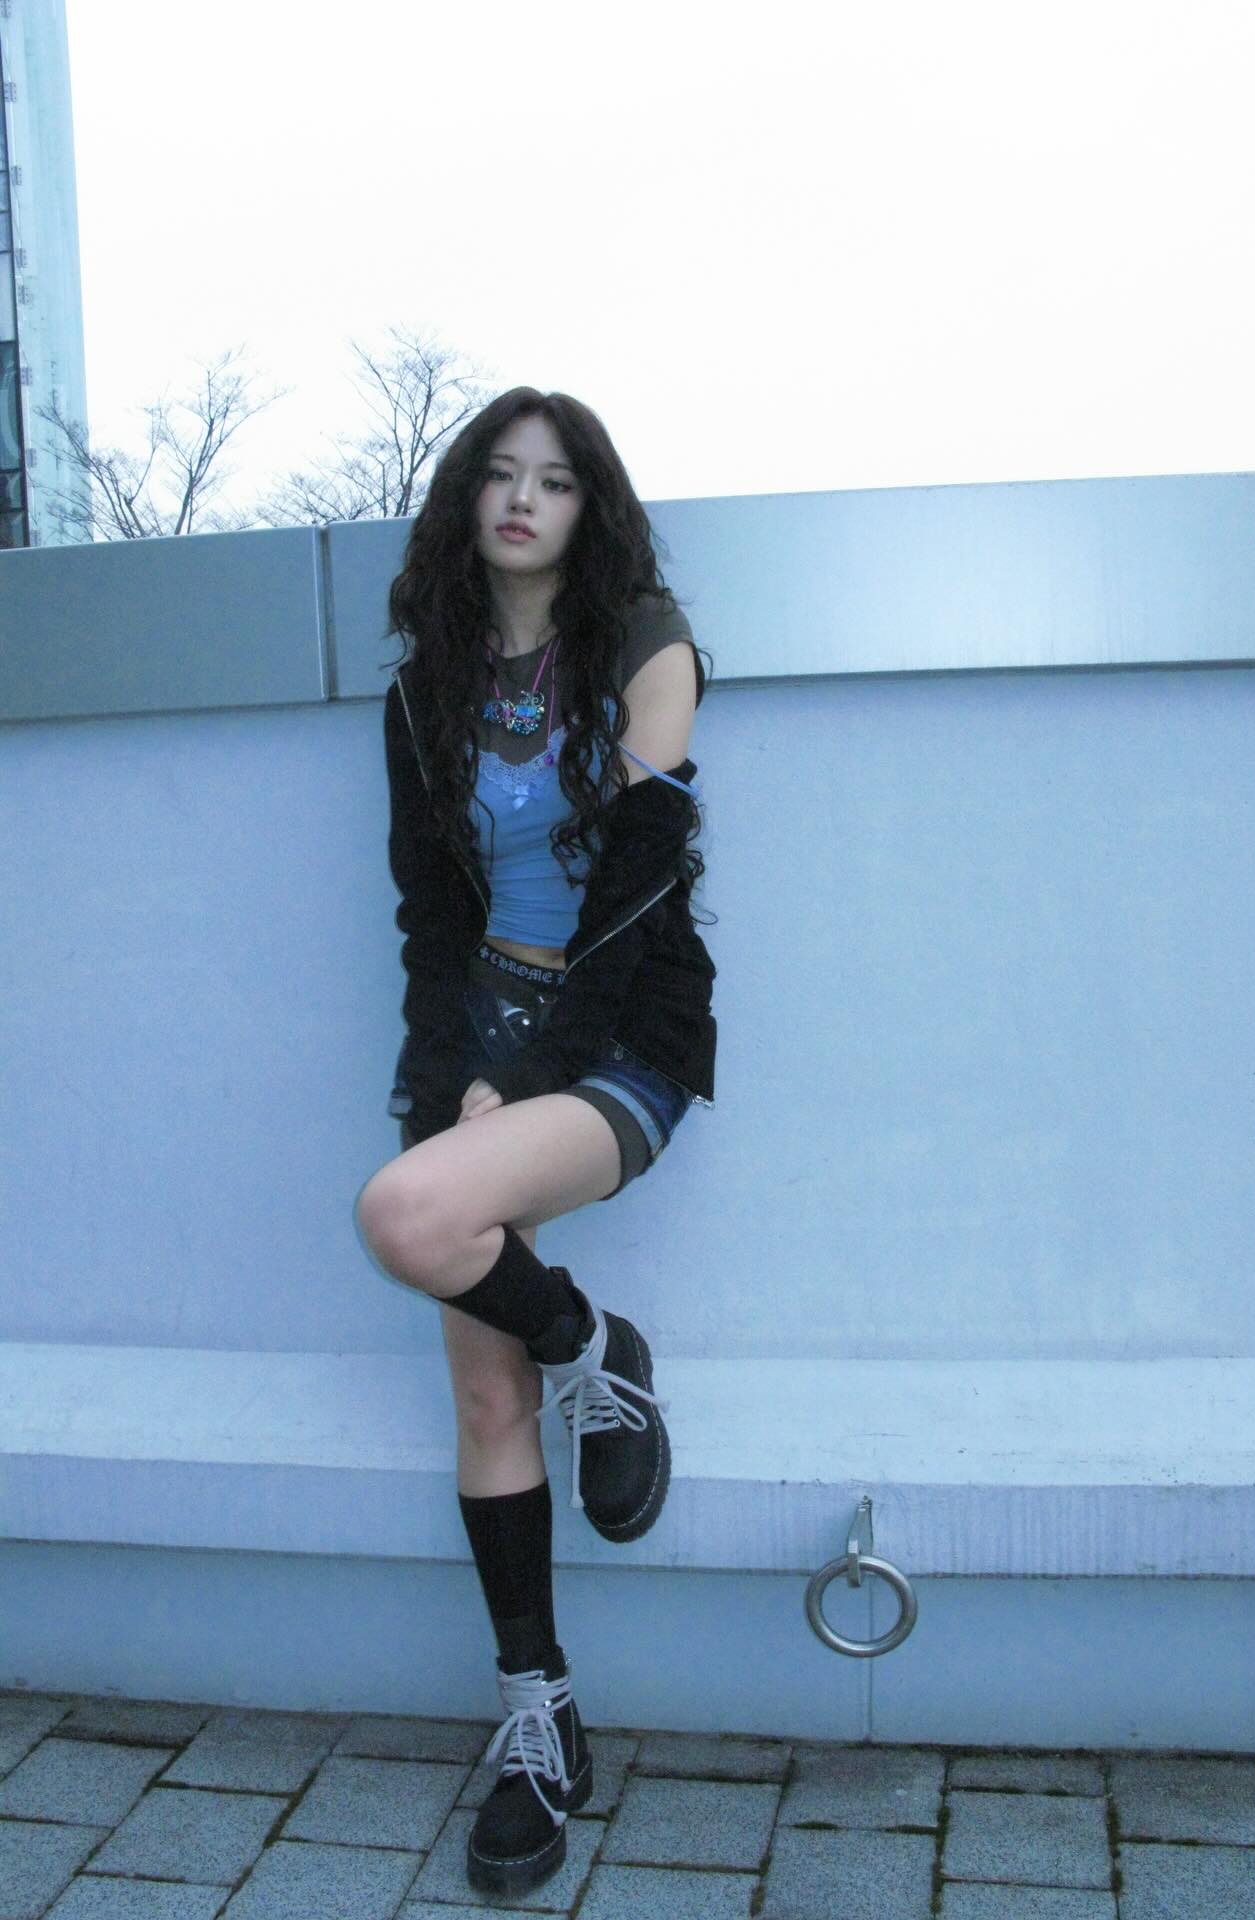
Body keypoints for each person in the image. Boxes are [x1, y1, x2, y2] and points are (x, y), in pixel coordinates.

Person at [355, 388, 716, 1898]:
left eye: (553, 480)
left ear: (589, 505)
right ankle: (540, 1718)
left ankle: (593, 1348)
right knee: (482, 1385)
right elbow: (431, 921)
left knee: (407, 1219)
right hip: (479, 1038)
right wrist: (455, 1078)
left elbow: (638, 886)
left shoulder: (644, 644)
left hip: (617, 1032)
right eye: (498, 475)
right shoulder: (423, 694)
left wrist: (532, 1072)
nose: (522, 499)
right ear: (466, 501)